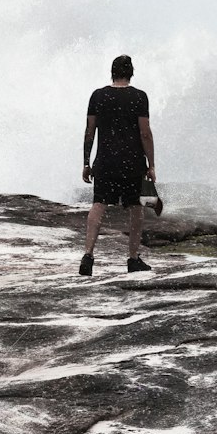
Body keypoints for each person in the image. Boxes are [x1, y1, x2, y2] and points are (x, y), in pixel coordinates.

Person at [79, 54, 155, 276]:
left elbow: (89, 131)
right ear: (131, 73)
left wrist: (86, 162)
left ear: (111, 72)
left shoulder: (98, 96)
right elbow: (145, 133)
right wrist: (151, 164)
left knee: (98, 204)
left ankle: (88, 256)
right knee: (136, 208)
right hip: (132, 163)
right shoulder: (139, 97)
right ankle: (132, 259)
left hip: (105, 161)